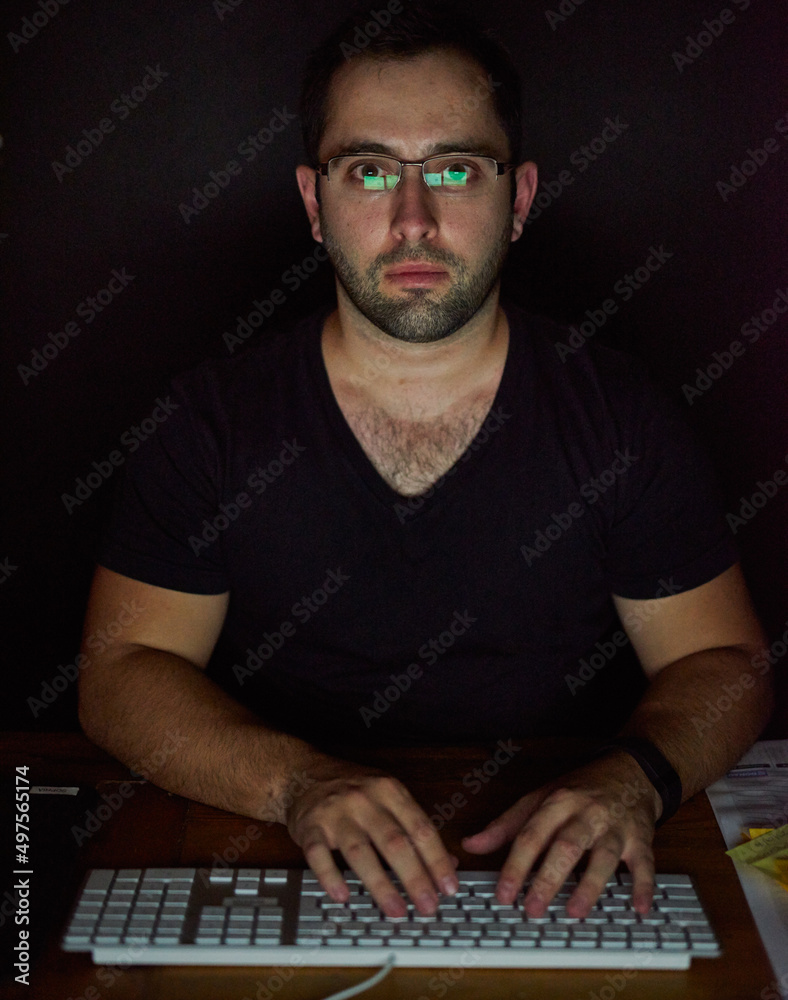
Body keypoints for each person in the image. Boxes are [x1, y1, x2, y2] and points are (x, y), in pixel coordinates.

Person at [79, 1, 773, 925]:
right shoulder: (212, 421)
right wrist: (296, 785)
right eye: (368, 171)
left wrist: (634, 782)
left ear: (518, 199)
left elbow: (726, 661)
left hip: (560, 887)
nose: (414, 219)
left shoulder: (619, 415)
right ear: (312, 205)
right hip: (285, 868)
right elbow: (120, 669)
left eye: (454, 167)